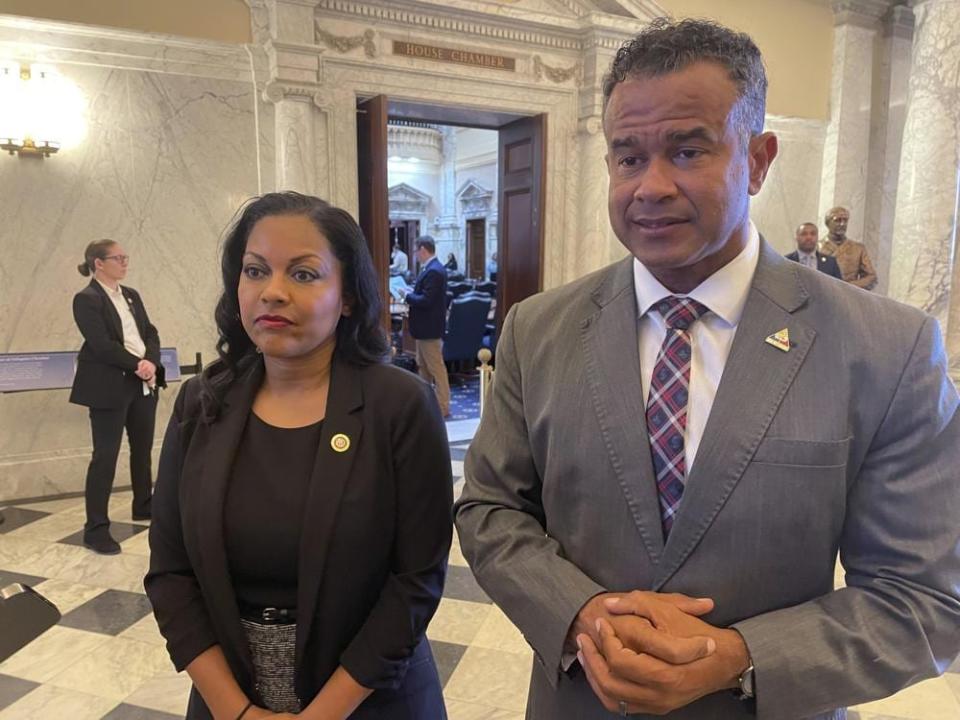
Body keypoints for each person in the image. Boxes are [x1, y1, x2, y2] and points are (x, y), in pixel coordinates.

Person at [455, 18, 960, 720]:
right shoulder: (537, 330)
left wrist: (743, 658)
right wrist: (581, 614)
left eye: (688, 150)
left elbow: (924, 599)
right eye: (628, 158)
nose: (650, 186)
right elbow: (489, 509)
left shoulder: (885, 347)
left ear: (757, 160)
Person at [145, 192, 452, 720]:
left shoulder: (399, 405)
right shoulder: (201, 402)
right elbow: (170, 575)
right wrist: (235, 710)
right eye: (255, 271)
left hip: (371, 699)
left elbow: (415, 582)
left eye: (304, 274)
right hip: (229, 698)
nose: (273, 293)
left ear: (348, 295)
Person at [70, 239, 164, 555]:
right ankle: (95, 529)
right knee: (105, 457)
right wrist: (137, 364)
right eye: (118, 258)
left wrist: (151, 361)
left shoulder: (131, 295)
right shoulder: (86, 299)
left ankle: (144, 505)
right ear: (98, 263)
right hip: (109, 385)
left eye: (126, 257)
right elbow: (101, 344)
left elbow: (149, 331)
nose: (125, 262)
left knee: (142, 450)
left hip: (142, 382)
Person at [400, 236, 450, 417]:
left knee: (436, 367)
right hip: (424, 329)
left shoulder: (434, 271)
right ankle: (426, 402)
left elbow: (427, 301)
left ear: (423, 249)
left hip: (429, 329)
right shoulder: (431, 269)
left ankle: (443, 406)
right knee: (424, 366)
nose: (415, 255)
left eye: (416, 251)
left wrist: (407, 296)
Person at [818, 206, 877, 290]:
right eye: (837, 220)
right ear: (828, 223)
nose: (842, 224)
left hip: (848, 296)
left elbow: (871, 277)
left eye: (845, 220)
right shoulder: (816, 247)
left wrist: (848, 286)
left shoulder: (858, 249)